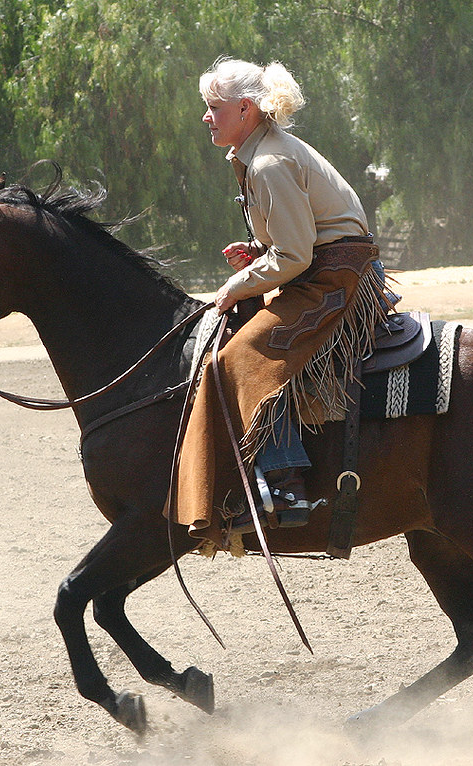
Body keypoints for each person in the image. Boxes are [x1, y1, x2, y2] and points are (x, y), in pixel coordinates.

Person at [172, 57, 393, 543]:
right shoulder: (263, 152)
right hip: (321, 271)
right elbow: (298, 240)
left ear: (245, 109)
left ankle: (285, 484)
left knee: (242, 357)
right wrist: (258, 253)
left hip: (335, 283)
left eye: (214, 107)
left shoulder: (269, 163)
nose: (206, 117)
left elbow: (294, 255)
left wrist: (235, 286)